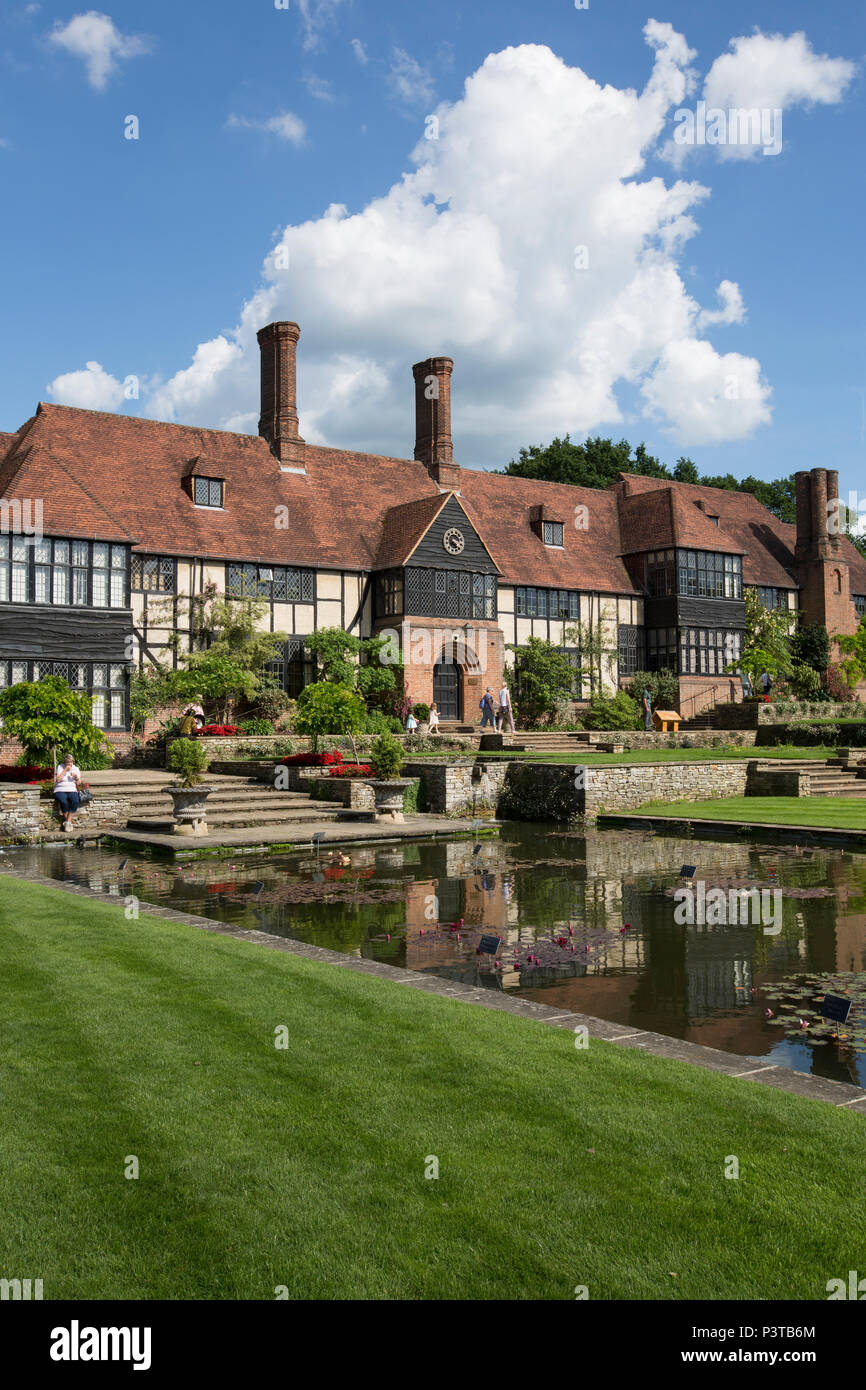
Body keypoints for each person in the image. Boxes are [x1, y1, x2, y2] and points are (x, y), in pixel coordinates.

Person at [53, 753, 81, 833]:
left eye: (71, 762)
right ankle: (68, 823)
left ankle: (67, 822)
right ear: (64, 762)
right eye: (67, 763)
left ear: (73, 762)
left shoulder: (76, 769)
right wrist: (65, 770)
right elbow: (58, 780)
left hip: (72, 789)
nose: (69, 764)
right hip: (60, 789)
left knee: (75, 801)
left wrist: (76, 777)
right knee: (63, 801)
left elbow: (79, 783)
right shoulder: (60, 767)